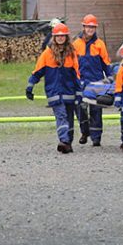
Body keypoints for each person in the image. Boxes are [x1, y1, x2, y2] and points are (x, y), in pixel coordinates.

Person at [27, 23, 82, 153]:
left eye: (63, 36)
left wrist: (79, 92)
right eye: (58, 36)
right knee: (61, 116)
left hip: (69, 92)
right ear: (54, 37)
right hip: (54, 92)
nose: (61, 38)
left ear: (66, 37)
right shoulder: (47, 54)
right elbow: (38, 71)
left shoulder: (72, 53)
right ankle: (63, 140)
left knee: (69, 118)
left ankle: (68, 142)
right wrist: (30, 86)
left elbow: (76, 74)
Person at [72, 14, 111, 146]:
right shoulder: (76, 44)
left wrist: (110, 77)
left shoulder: (100, 44)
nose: (90, 29)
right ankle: (85, 132)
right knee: (79, 108)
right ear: (83, 27)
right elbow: (71, 63)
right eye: (88, 27)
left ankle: (96, 138)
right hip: (80, 81)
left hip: (97, 82)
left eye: (93, 27)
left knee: (96, 109)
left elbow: (106, 63)